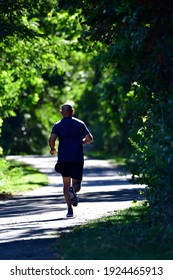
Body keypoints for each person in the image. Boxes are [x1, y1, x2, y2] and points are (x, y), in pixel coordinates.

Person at [49, 103, 93, 217]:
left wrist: (52, 148)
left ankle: (69, 210)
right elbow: (89, 138)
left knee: (65, 184)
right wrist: (82, 142)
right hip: (77, 158)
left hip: (63, 158)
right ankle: (73, 190)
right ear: (72, 111)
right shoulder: (79, 123)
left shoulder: (57, 125)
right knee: (76, 184)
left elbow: (52, 139)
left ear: (61, 112)